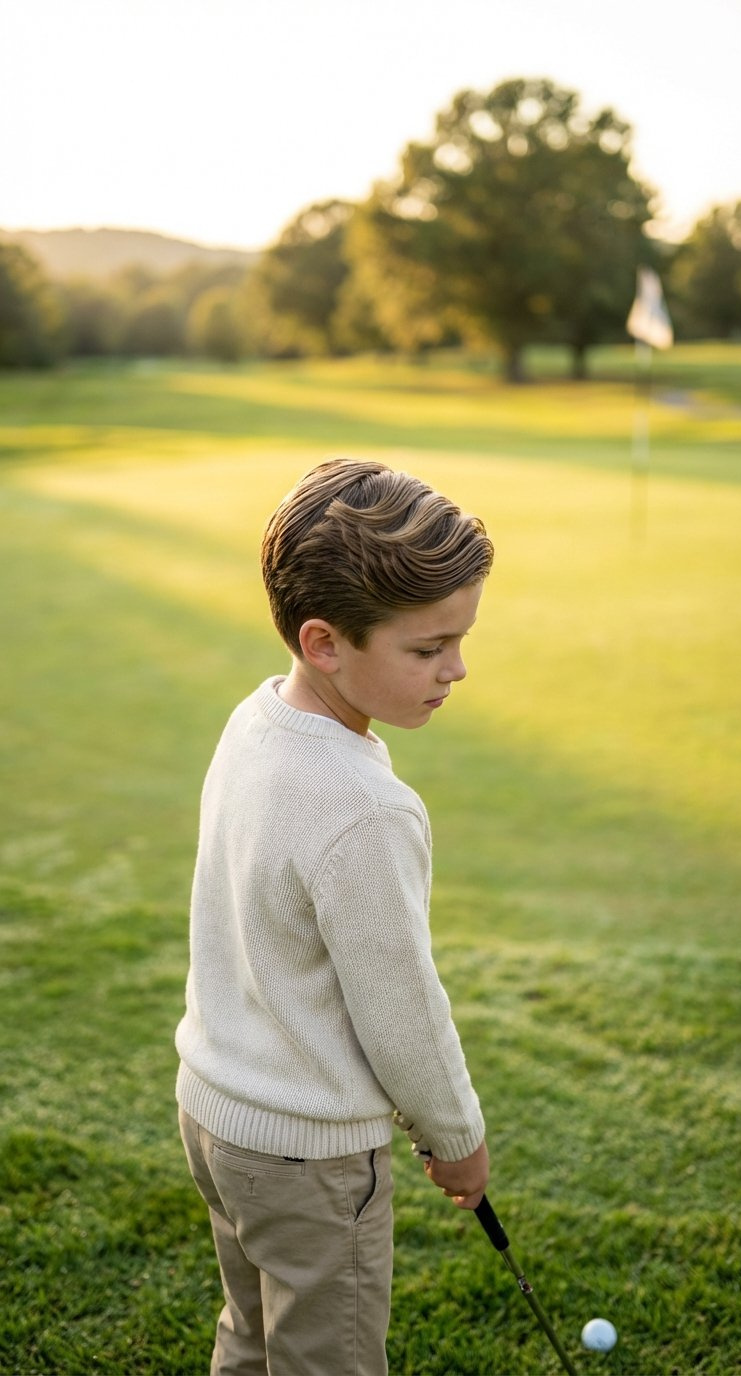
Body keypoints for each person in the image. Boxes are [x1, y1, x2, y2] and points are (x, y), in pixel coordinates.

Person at [176, 457, 494, 1376]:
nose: (458, 669)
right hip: (309, 1157)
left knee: (252, 1334)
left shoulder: (255, 719)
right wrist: (456, 1138)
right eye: (428, 648)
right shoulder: (366, 809)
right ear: (325, 642)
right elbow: (401, 1012)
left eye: (461, 640)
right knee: (329, 1361)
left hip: (216, 1114)